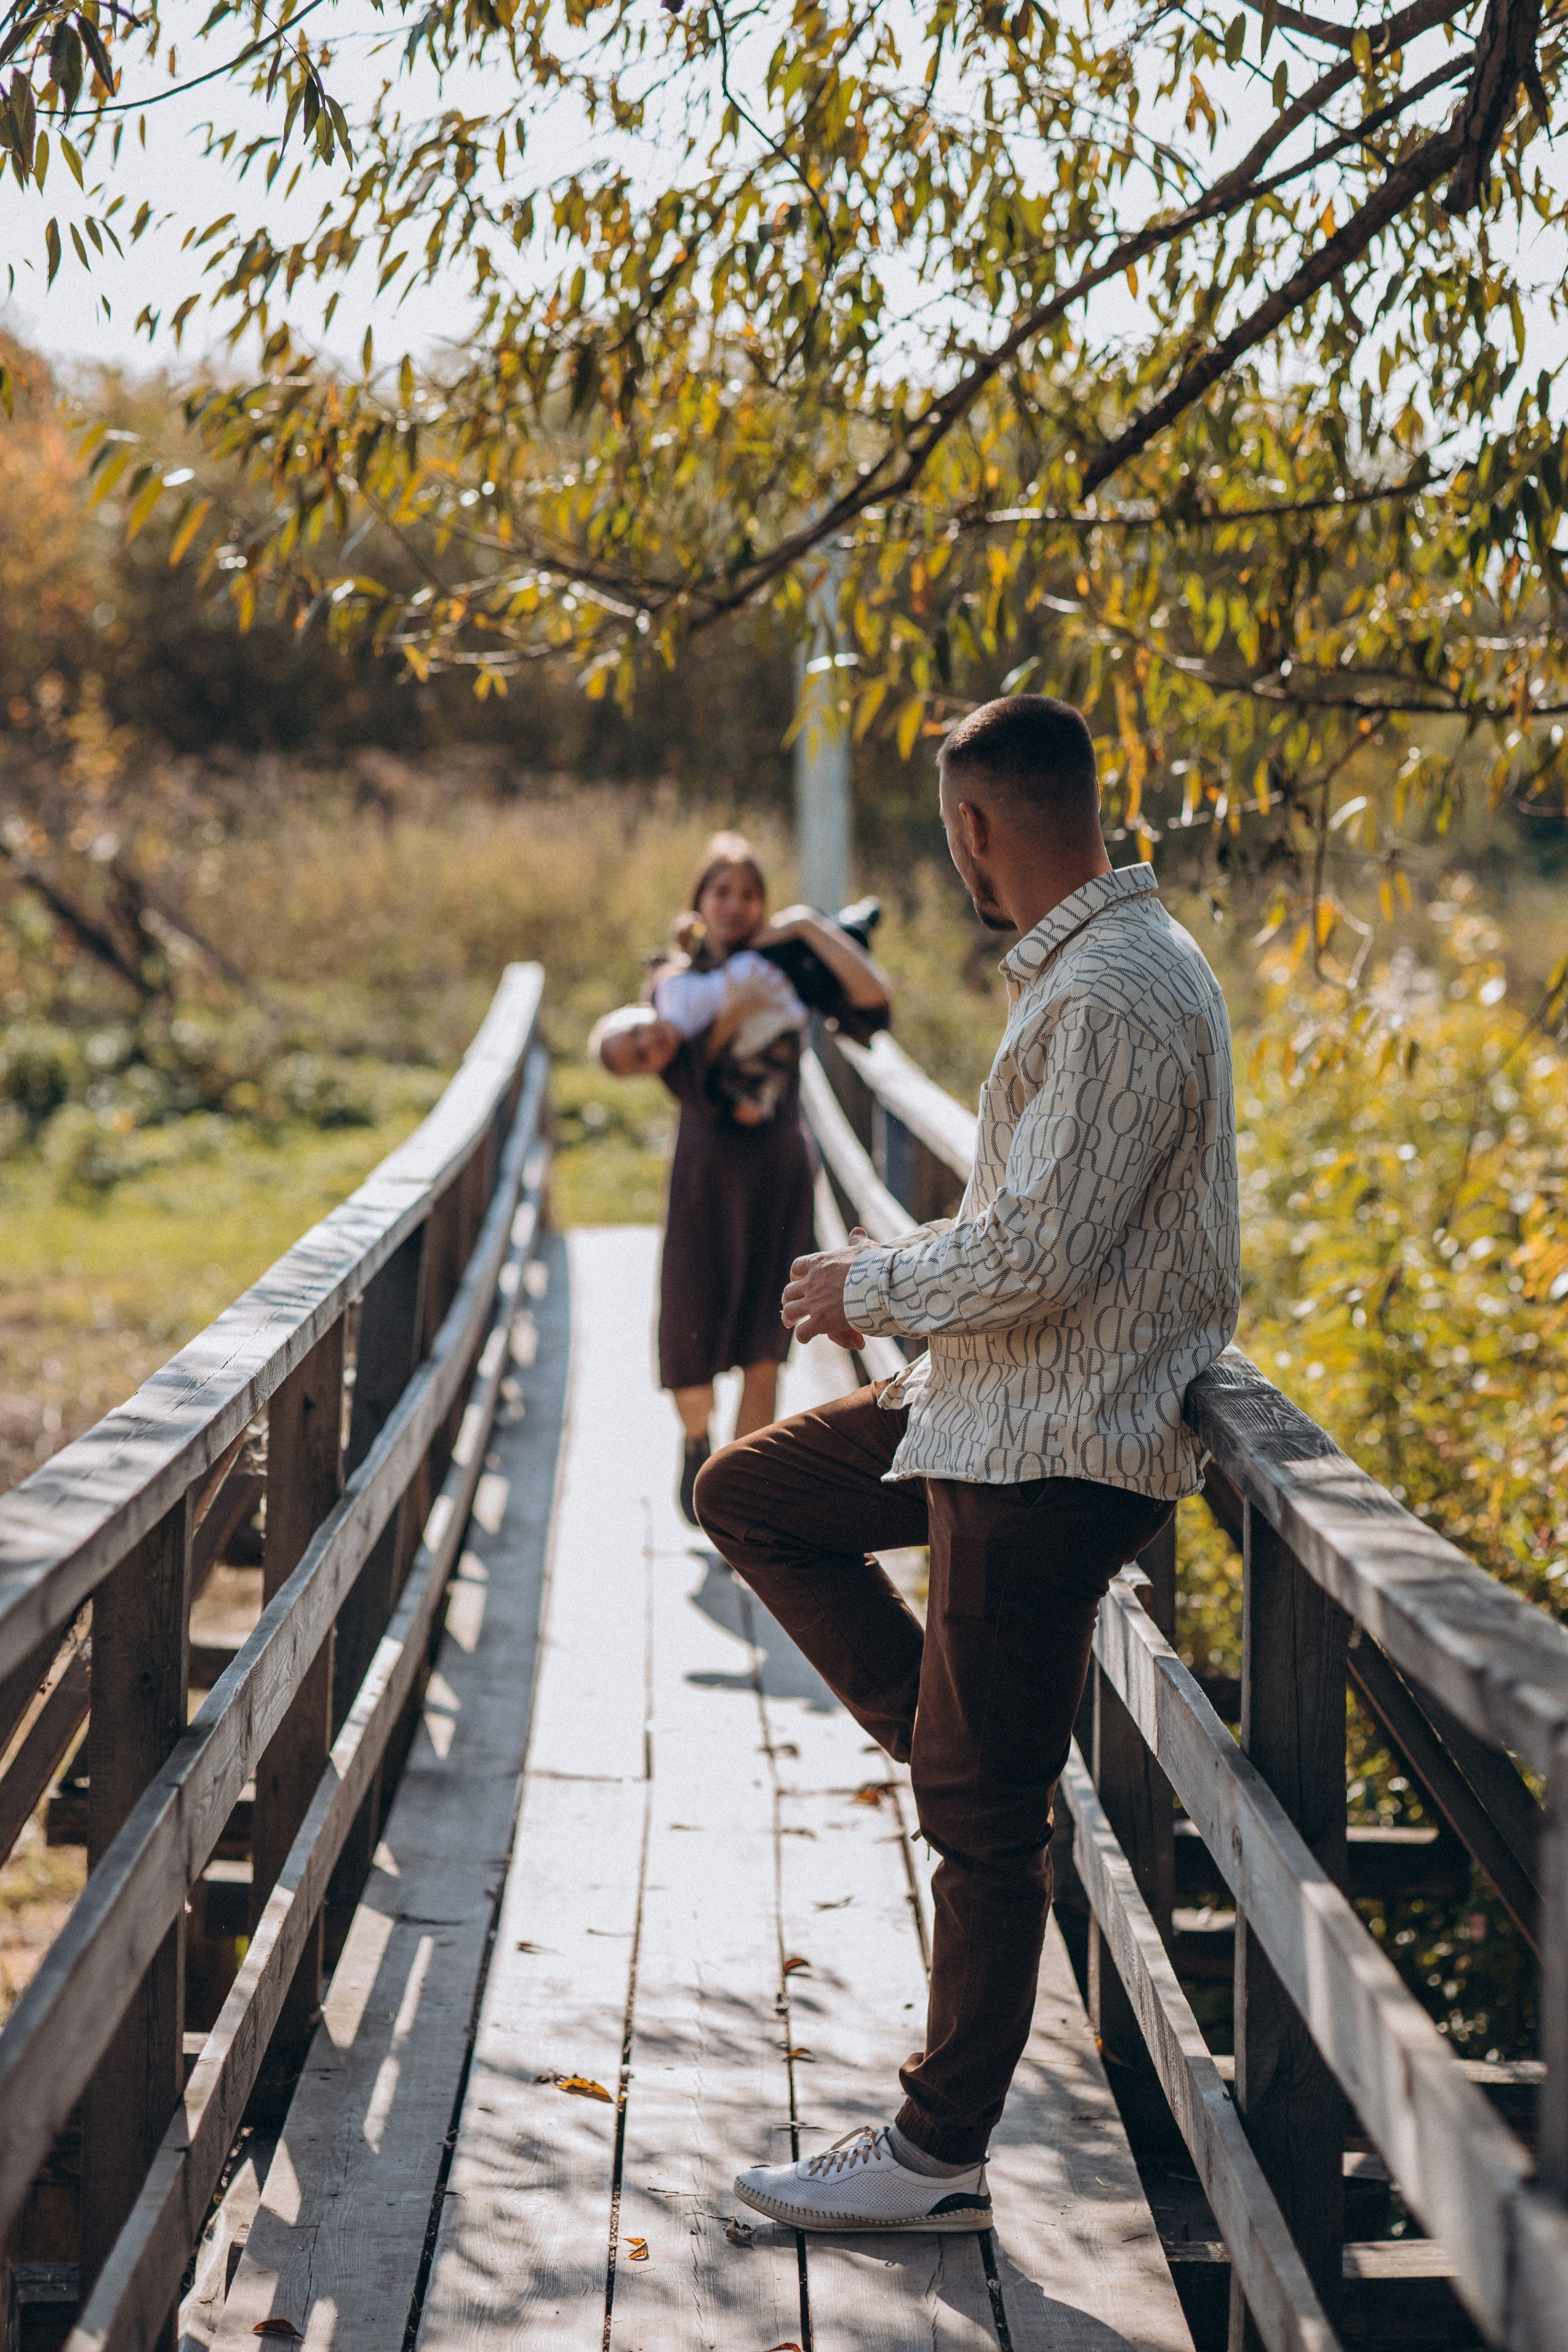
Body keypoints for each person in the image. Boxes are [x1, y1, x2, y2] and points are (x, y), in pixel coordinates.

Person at [695, 697, 1240, 2234]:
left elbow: (1050, 1251)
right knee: (747, 1494)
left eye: (954, 839)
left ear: (977, 828)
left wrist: (865, 1281)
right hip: (982, 1401)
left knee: (986, 1826)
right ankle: (957, 1752)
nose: (958, 864)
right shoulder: (1088, 967)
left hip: (1052, 1442)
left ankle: (932, 2156)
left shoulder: (1119, 987)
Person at [604, 832, 891, 1524]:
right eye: (722, 891)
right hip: (705, 1171)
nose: (734, 905)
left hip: (777, 1167)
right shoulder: (672, 981)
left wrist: (806, 930)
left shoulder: (789, 960)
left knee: (768, 1336)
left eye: (748, 894)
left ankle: (738, 1496)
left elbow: (873, 1005)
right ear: (700, 902)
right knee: (691, 1325)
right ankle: (696, 1442)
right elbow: (682, 1071)